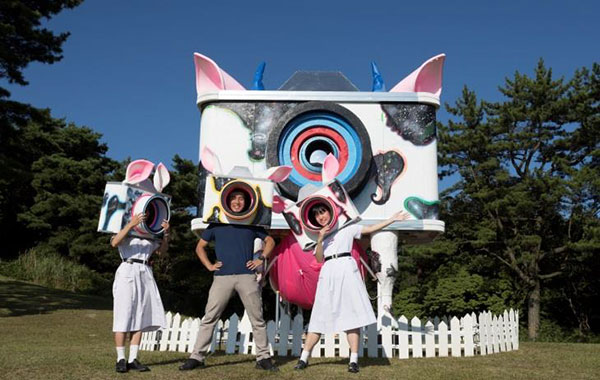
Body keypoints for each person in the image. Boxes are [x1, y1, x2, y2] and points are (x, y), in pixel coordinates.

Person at [294, 206, 409, 373]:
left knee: (352, 316)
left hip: (347, 268)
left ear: (330, 212)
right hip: (328, 271)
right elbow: (319, 258)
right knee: (319, 314)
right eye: (316, 214)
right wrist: (320, 239)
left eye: (322, 212)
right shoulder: (316, 236)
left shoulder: (347, 228)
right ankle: (304, 358)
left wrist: (392, 219)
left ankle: (353, 360)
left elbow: (370, 229)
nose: (320, 217)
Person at [179, 190, 279, 372]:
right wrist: (209, 265)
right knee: (209, 317)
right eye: (234, 198)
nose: (237, 202)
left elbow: (270, 241)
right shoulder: (217, 225)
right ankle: (196, 357)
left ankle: (263, 358)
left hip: (246, 277)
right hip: (221, 277)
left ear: (246, 202)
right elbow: (200, 247)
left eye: (241, 198)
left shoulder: (251, 224)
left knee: (257, 318)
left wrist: (261, 258)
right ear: (227, 201)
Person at [111, 213, 169, 373]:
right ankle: (120, 358)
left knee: (140, 315)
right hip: (128, 268)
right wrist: (130, 224)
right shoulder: (123, 225)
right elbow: (115, 242)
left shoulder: (151, 230)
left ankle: (133, 358)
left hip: (145, 271)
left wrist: (166, 234)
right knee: (123, 314)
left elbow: (161, 253)